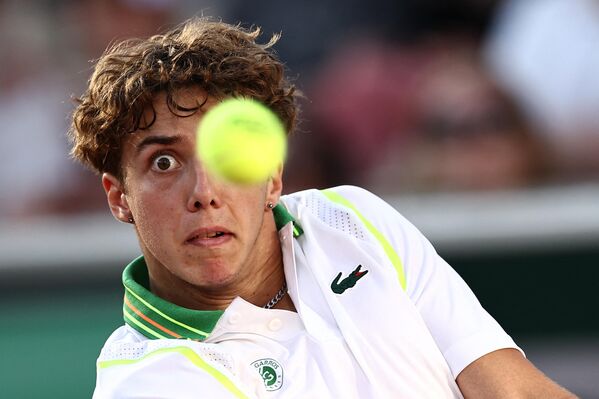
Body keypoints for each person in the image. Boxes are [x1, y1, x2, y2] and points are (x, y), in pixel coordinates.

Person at [69, 17, 576, 398]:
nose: (204, 190)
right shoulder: (145, 385)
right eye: (163, 162)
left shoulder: (351, 219)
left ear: (272, 177)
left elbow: (516, 391)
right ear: (119, 197)